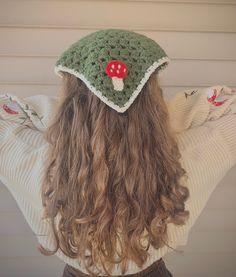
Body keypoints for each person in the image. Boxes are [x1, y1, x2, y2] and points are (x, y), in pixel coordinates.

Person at [0, 29, 236, 277]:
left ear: (70, 100)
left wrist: (65, 122)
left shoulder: (36, 157)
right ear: (152, 97)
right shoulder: (184, 155)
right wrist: (162, 117)